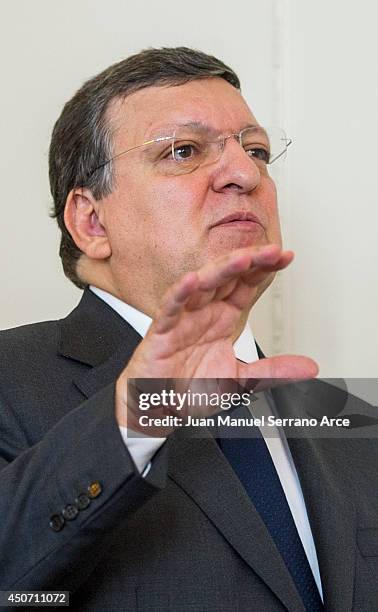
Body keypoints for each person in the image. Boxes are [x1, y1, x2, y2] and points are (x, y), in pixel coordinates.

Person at [0, 47, 376, 611]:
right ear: (92, 220)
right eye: (183, 151)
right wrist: (138, 415)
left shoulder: (348, 418)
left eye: (257, 151)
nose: (245, 174)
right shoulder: (11, 380)